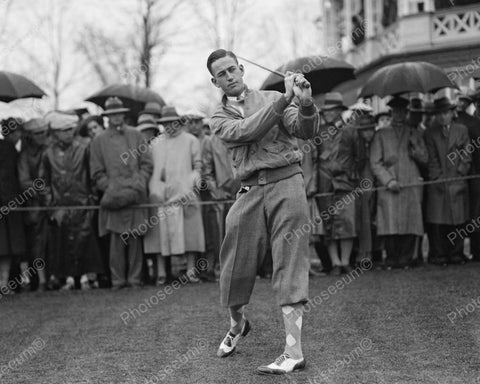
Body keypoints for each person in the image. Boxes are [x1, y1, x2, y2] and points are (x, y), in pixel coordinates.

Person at [207, 49, 320, 374]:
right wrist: (285, 99)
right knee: (233, 266)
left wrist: (307, 102)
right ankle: (237, 322)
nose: (229, 76)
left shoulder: (272, 96)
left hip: (287, 182)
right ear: (215, 82)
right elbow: (247, 131)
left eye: (232, 69)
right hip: (250, 191)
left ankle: (293, 351)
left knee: (290, 261)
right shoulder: (218, 117)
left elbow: (305, 130)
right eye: (222, 74)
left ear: (242, 69)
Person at [90, 97, 153, 289]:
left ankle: (134, 279)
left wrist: (139, 183)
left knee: (135, 239)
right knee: (116, 240)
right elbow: (96, 172)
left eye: (119, 113)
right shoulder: (99, 140)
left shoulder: (136, 135)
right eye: (112, 114)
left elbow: (147, 164)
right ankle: (117, 280)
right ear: (107, 117)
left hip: (135, 194)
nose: (116, 117)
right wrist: (110, 188)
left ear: (124, 115)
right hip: (114, 197)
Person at [40, 113, 103, 290]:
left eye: (70, 130)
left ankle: (88, 278)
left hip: (82, 204)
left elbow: (92, 175)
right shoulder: (48, 153)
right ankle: (65, 278)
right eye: (63, 131)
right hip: (60, 206)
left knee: (85, 242)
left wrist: (92, 200)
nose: (68, 134)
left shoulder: (83, 149)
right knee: (62, 244)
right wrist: (50, 205)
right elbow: (43, 181)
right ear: (56, 133)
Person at [146, 106, 205, 284]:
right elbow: (152, 170)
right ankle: (162, 272)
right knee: (160, 233)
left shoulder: (190, 140)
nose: (169, 126)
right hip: (162, 194)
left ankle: (190, 270)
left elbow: (198, 166)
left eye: (173, 122)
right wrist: (156, 188)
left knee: (190, 231)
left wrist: (191, 184)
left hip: (186, 192)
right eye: (165, 123)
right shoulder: (155, 144)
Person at [370, 96, 428, 269]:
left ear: (407, 112)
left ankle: (407, 257)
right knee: (390, 220)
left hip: (410, 182)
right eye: (396, 111)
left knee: (410, 220)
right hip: (390, 185)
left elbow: (425, 158)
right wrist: (388, 181)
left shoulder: (415, 133)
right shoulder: (381, 134)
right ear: (391, 113)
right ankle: (392, 257)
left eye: (403, 111)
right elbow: (375, 162)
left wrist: (415, 148)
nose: (399, 115)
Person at [316, 92, 359, 276]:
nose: (327, 113)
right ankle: (334, 263)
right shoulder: (319, 132)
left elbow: (359, 156)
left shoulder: (350, 130)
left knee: (348, 222)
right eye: (325, 110)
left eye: (331, 110)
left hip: (345, 182)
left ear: (339, 111)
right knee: (329, 223)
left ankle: (345, 261)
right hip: (324, 183)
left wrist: (351, 173)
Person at [424, 97, 471, 265]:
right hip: (439, 181)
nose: (443, 117)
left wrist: (460, 173)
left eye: (446, 113)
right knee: (438, 220)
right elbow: (432, 158)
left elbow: (467, 153)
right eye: (439, 114)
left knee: (458, 218)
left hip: (458, 179)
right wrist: (437, 177)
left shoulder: (461, 130)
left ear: (452, 113)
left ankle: (456, 252)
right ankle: (438, 254)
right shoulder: (430, 132)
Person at [202, 128, 241, 281]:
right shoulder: (211, 141)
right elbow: (207, 171)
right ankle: (221, 269)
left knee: (242, 232)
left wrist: (244, 191)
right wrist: (216, 191)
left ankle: (242, 271)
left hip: (242, 193)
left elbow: (250, 167)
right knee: (219, 234)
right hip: (219, 197)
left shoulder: (243, 136)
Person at [18, 118, 49, 290]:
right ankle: (40, 280)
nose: (42, 136)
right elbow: (23, 182)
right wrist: (40, 189)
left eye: (44, 132)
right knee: (36, 245)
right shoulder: (24, 155)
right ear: (30, 136)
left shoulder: (48, 150)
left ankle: (51, 279)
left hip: (51, 204)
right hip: (34, 206)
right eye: (38, 133)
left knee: (50, 243)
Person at [0, 120, 27, 295]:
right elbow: (8, 178)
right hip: (8, 203)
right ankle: (4, 282)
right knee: (6, 246)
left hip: (8, 203)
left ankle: (5, 282)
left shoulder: (10, 149)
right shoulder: (9, 149)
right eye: (16, 133)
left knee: (6, 246)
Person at [455, 92, 480, 262]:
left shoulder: (471, 122)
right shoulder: (470, 122)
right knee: (474, 213)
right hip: (474, 174)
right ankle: (476, 250)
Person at [355, 114, 381, 267]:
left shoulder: (378, 143)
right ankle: (364, 255)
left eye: (371, 129)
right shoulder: (358, 146)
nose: (368, 133)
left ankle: (375, 253)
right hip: (363, 186)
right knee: (364, 221)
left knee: (376, 220)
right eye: (365, 130)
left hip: (378, 184)